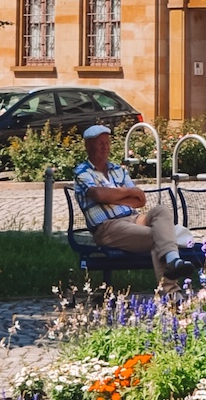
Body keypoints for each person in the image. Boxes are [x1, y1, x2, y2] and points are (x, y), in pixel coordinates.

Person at [72, 124, 192, 289]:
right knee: (159, 236)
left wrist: (112, 195)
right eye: (100, 144)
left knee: (160, 211)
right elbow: (98, 195)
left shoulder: (117, 170)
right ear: (88, 146)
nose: (105, 147)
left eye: (107, 143)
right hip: (108, 227)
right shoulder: (82, 171)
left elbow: (139, 200)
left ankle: (172, 260)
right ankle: (172, 293)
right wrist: (126, 192)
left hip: (134, 219)